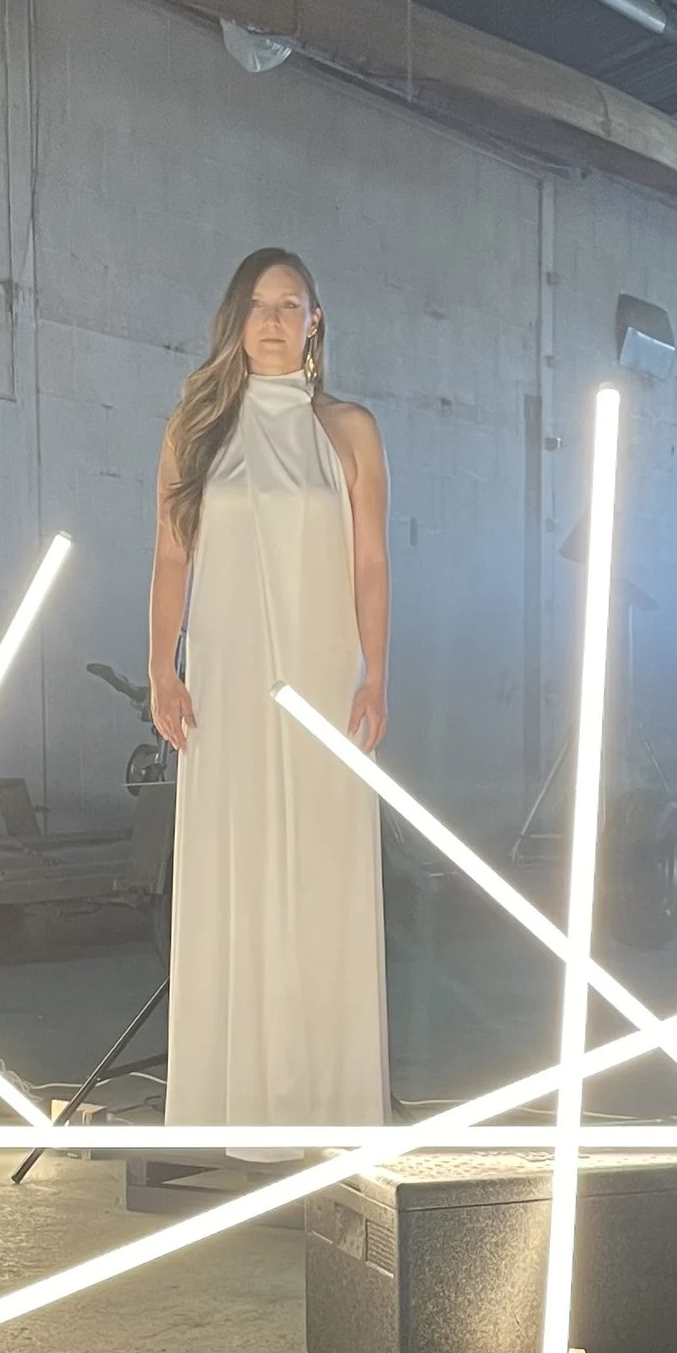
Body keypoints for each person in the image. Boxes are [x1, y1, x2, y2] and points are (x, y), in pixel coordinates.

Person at [149, 249, 390, 1138]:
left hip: (323, 681)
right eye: (259, 305)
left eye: (291, 304)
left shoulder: (350, 431)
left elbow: (370, 561)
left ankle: (327, 1103)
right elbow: (172, 555)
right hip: (228, 680)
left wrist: (377, 671)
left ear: (316, 320)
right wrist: (161, 666)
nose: (275, 320)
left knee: (321, 866)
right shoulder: (196, 429)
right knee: (238, 860)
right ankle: (230, 1103)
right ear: (236, 320)